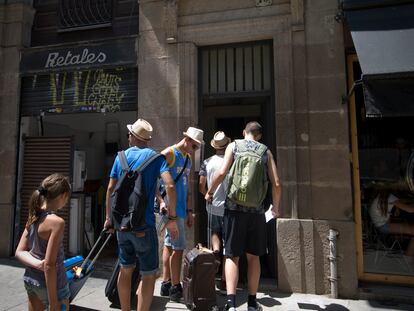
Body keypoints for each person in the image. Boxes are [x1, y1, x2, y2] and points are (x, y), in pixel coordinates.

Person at [205, 121, 281, 311]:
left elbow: (222, 172)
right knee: (253, 257)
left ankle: (231, 304)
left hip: (233, 209)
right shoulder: (265, 151)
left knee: (231, 256)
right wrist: (275, 208)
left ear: (243, 132)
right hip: (256, 212)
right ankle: (253, 303)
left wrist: (210, 192)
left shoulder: (234, 146)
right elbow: (277, 183)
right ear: (259, 135)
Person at [104, 118, 179, 311]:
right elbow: (170, 185)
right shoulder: (155, 158)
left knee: (125, 269)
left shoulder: (120, 157)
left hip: (122, 225)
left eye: (129, 134)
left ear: (133, 136)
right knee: (148, 274)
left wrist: (108, 219)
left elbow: (111, 188)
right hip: (143, 226)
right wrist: (171, 218)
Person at [158, 126, 204, 302]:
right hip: (171, 210)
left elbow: (188, 188)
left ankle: (166, 283)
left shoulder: (188, 159)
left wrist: (190, 211)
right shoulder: (169, 153)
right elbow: (153, 178)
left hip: (181, 210)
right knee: (178, 248)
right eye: (194, 146)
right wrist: (161, 202)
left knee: (170, 246)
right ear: (187, 140)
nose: (195, 150)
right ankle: (176, 287)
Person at [15, 173, 71, 311]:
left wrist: (38, 264)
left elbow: (19, 252)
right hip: (54, 287)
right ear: (63, 195)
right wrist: (53, 303)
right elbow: (49, 265)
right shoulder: (57, 223)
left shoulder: (33, 216)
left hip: (31, 281)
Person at [198, 131, 231, 293]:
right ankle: (225, 282)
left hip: (212, 205)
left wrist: (207, 194)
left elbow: (201, 185)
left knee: (214, 235)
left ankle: (215, 256)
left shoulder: (207, 162)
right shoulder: (231, 161)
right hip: (230, 207)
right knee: (229, 245)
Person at [369, 190, 414, 256]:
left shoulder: (383, 196)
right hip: (383, 226)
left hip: (379, 225)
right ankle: (408, 258)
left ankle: (408, 257)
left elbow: (402, 202)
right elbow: (410, 209)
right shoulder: (390, 197)